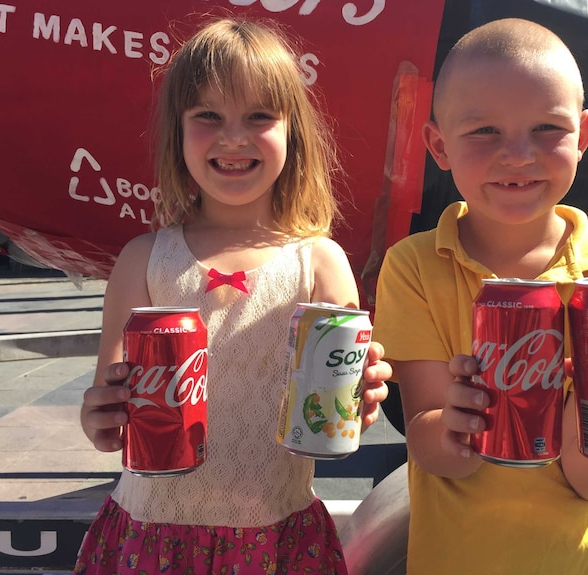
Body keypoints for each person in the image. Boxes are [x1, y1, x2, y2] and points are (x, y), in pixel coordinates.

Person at [372, 18, 588, 574]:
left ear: (584, 135)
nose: (518, 154)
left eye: (547, 129)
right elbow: (430, 448)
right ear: (438, 145)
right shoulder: (414, 267)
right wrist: (454, 420)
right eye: (484, 132)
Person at [74, 18, 390, 575]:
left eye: (259, 116)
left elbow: (339, 414)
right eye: (208, 116)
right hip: (151, 534)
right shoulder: (141, 260)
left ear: (294, 131)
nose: (234, 137)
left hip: (277, 537)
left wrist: (361, 403)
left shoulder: (320, 261)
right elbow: (109, 418)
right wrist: (101, 418)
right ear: (177, 130)